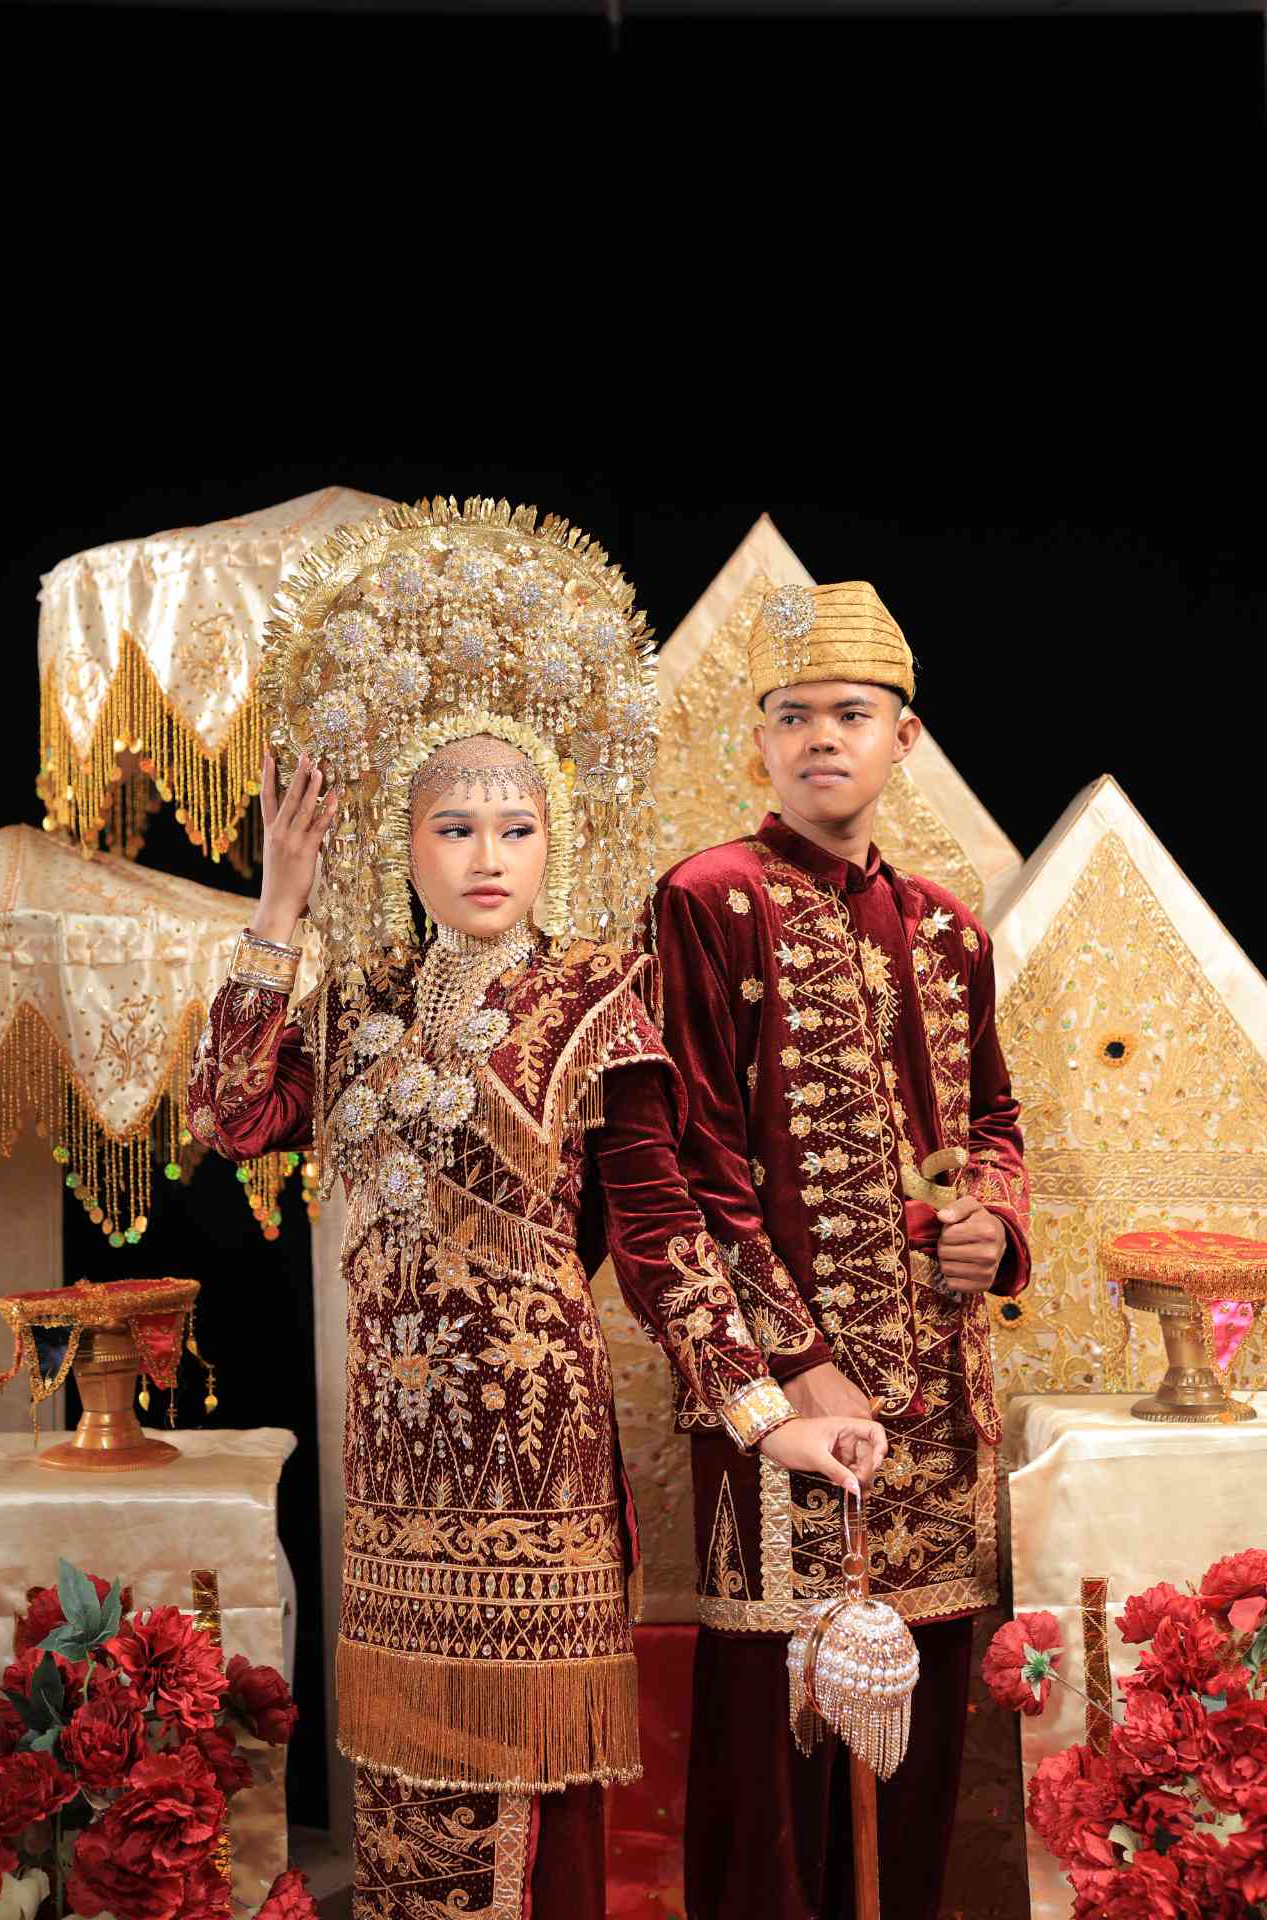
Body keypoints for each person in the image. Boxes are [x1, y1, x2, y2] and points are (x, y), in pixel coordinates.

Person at [186, 504, 886, 1920]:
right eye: (453, 827)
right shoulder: (365, 1000)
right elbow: (229, 1117)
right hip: (393, 1465)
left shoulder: (597, 1001)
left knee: (533, 1805)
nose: (486, 854)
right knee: (403, 1792)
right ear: (405, 843)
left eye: (516, 826)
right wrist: (278, 908)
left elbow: (662, 1234)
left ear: (558, 840)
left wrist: (766, 1415)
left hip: (535, 1460)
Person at [650, 580, 1030, 1920]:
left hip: (939, 1403)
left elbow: (995, 1121)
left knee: (916, 1740)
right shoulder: (708, 900)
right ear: (760, 739)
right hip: (781, 1405)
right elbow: (696, 1158)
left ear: (902, 738)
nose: (823, 737)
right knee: (779, 1734)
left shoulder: (948, 927)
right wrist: (797, 1364)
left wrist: (996, 1226)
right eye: (796, 714)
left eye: (853, 714)